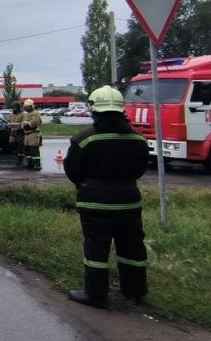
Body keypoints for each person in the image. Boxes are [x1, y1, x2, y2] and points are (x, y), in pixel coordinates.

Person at [63, 85, 150, 309]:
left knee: (96, 249)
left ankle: (96, 295)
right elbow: (140, 170)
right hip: (129, 201)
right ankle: (135, 291)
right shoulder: (138, 139)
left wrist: (86, 184)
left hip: (95, 202)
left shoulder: (84, 139)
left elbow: (72, 169)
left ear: (94, 110)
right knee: (132, 247)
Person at [21, 99, 42, 170]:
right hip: (26, 133)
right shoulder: (25, 113)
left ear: (32, 106)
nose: (27, 108)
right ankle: (29, 163)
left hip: (33, 133)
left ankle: (37, 164)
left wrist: (27, 124)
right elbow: (23, 122)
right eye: (25, 106)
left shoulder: (36, 113)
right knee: (27, 150)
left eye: (28, 106)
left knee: (34, 149)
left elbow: (35, 123)